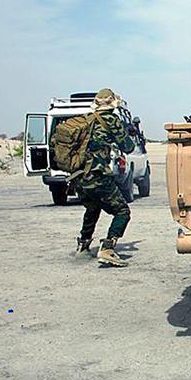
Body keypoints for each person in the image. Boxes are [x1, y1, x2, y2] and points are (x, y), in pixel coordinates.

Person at [74, 88, 135, 268]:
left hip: (79, 176)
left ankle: (83, 246)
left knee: (92, 208)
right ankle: (108, 248)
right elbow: (128, 147)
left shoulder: (86, 120)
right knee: (122, 211)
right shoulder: (112, 120)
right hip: (98, 175)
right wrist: (127, 132)